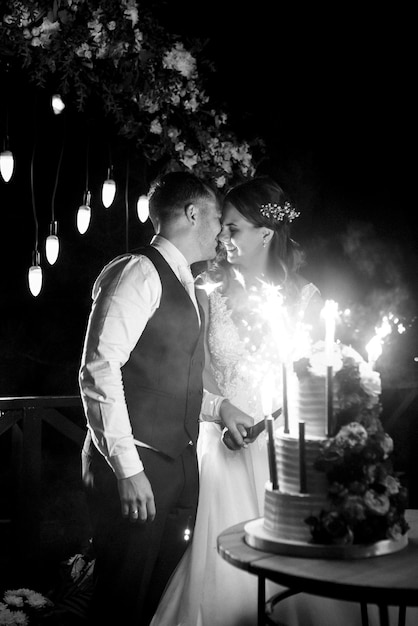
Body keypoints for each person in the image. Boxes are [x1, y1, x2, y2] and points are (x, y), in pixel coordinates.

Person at [150, 176, 363, 625]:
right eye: (221, 227)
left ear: (266, 232)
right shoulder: (206, 291)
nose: (221, 237)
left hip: (286, 443)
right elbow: (200, 371)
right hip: (224, 440)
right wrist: (222, 413)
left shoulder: (305, 299)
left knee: (295, 550)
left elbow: (315, 378)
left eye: (233, 228)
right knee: (226, 557)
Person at [78, 171, 254, 626]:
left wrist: (220, 409)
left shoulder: (186, 281)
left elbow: (167, 377)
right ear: (193, 214)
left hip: (172, 467)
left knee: (151, 601)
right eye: (217, 216)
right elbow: (99, 370)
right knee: (120, 600)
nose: (220, 229)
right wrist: (128, 469)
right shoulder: (136, 271)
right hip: (137, 467)